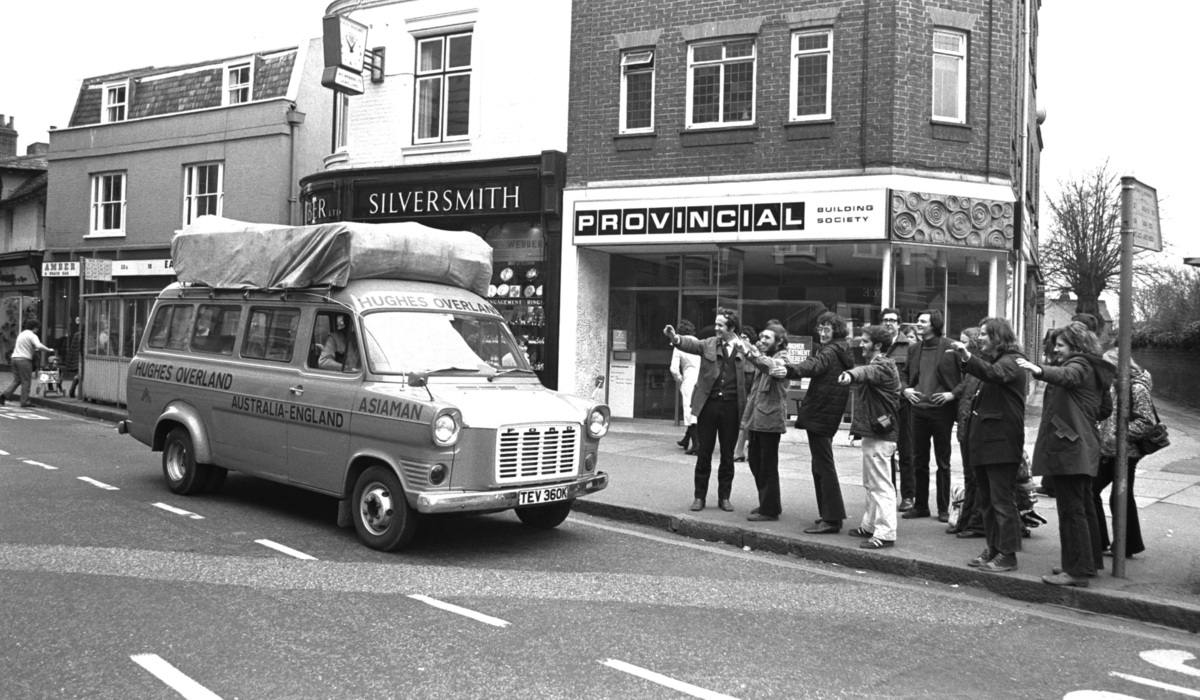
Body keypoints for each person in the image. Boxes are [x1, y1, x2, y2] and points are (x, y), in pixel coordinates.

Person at [1017, 322, 1113, 587]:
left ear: (1076, 346)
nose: (1056, 349)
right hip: (1083, 445)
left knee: (1072, 511)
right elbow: (1105, 408)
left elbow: (1067, 376)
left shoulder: (1079, 364)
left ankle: (1077, 571)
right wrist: (1082, 415)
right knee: (1083, 507)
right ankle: (1087, 562)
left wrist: (1039, 370)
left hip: (1070, 448)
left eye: (1060, 345)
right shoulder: (1094, 367)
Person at [952, 317, 1027, 573]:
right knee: (988, 501)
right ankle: (994, 548)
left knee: (1001, 501)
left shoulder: (1012, 361)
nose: (980, 338)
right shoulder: (996, 361)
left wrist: (967, 357)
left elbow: (993, 374)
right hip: (987, 444)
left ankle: (1008, 554)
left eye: (984, 334)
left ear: (998, 337)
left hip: (1001, 444)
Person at [771, 311, 854, 534]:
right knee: (820, 465)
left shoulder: (830, 351)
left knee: (823, 466)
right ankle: (828, 514)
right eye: (821, 328)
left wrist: (788, 370)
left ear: (837, 331)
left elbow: (813, 365)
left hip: (821, 412)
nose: (822, 333)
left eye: (827, 329)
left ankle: (832, 518)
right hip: (828, 412)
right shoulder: (842, 349)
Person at [664, 308, 748, 512]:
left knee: (727, 455)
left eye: (720, 325)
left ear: (732, 327)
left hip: (732, 408)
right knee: (704, 453)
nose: (716, 328)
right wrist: (675, 338)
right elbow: (691, 344)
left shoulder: (744, 348)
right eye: (716, 324)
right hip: (709, 406)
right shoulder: (709, 343)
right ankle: (699, 497)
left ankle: (724, 498)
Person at [838, 325, 903, 549]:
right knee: (871, 483)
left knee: (881, 485)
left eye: (865, 341)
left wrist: (849, 374)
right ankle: (870, 525)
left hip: (880, 435)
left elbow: (865, 372)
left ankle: (885, 533)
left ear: (878, 345)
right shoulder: (881, 364)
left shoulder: (883, 366)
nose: (861, 344)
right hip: (875, 432)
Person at [901, 309, 962, 522]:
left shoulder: (951, 347)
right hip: (918, 410)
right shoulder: (914, 348)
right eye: (918, 321)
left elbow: (968, 376)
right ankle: (920, 506)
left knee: (943, 461)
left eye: (923, 321)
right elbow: (904, 374)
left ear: (934, 325)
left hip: (942, 411)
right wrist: (905, 390)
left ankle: (943, 508)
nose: (918, 324)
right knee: (919, 459)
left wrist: (952, 394)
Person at [1094, 347, 1155, 558]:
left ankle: (1125, 545)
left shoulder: (1136, 387)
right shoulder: (1114, 384)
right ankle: (1103, 542)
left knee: (1119, 498)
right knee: (1094, 491)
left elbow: (1147, 421)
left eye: (1107, 363)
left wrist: (1119, 434)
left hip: (1126, 452)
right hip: (1108, 450)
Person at [739, 323, 789, 521]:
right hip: (757, 418)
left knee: (767, 465)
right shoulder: (764, 357)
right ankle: (767, 503)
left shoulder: (783, 358)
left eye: (767, 337)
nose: (762, 340)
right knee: (755, 461)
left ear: (779, 341)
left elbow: (769, 366)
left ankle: (770, 510)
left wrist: (749, 352)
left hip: (770, 420)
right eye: (761, 337)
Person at [947, 327, 985, 538]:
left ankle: (974, 522)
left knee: (976, 478)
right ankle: (967, 520)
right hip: (966, 426)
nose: (960, 345)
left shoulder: (981, 365)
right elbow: (965, 386)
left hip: (973, 428)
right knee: (970, 477)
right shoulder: (971, 366)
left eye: (965, 341)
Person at [880, 308, 915, 512]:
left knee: (906, 450)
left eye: (892, 320)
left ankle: (908, 496)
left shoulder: (909, 346)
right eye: (885, 320)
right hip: (882, 408)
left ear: (899, 324)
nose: (888, 323)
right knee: (885, 451)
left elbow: (912, 375)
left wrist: (905, 390)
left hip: (902, 406)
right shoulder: (877, 344)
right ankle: (888, 494)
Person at [1, 319, 56, 407]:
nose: (37, 330)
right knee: (26, 382)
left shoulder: (21, 334)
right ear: (35, 327)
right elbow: (38, 345)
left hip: (14, 358)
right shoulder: (32, 335)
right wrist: (48, 350)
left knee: (17, 380)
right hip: (24, 360)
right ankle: (25, 401)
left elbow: (27, 346)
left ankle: (4, 396)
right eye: (37, 328)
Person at [669, 319, 700, 454]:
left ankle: (696, 444)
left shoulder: (679, 345)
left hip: (689, 379)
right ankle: (686, 440)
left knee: (689, 412)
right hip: (701, 379)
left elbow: (674, 368)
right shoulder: (698, 342)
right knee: (696, 410)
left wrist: (680, 380)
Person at [732, 324, 758, 462]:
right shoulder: (738, 352)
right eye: (741, 337)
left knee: (746, 421)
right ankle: (740, 450)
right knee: (743, 421)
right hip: (743, 394)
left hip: (752, 394)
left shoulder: (753, 352)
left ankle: (740, 451)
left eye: (745, 337)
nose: (742, 340)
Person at [64, 318, 82, 399]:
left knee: (79, 373)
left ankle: (72, 389)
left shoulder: (77, 335)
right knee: (81, 374)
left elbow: (73, 348)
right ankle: (73, 389)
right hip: (81, 357)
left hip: (77, 357)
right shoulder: (83, 335)